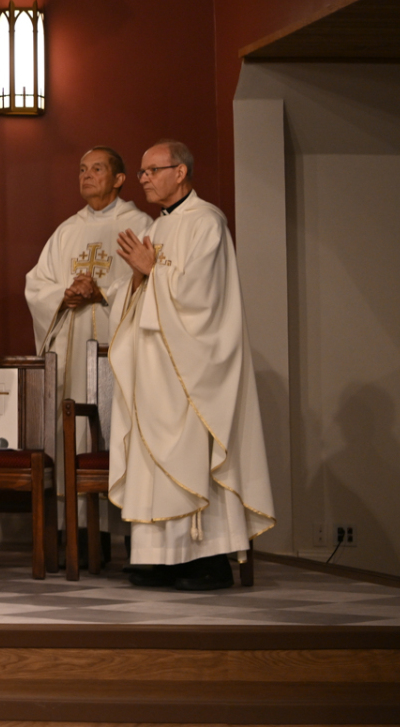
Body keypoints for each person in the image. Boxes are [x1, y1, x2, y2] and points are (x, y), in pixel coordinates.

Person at [110, 140, 275, 591]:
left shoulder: (207, 222)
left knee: (193, 460)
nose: (144, 179)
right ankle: (162, 558)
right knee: (156, 461)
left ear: (180, 172)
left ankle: (207, 561)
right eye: (141, 172)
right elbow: (138, 294)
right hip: (155, 369)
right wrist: (139, 277)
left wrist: (153, 271)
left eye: (151, 170)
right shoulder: (158, 228)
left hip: (192, 370)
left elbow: (204, 297)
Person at [23, 148, 152, 495]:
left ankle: (123, 510)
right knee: (72, 423)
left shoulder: (140, 226)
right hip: (73, 350)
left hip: (118, 344)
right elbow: (36, 284)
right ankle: (73, 517)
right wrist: (64, 295)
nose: (86, 176)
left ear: (119, 179)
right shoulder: (67, 230)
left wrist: (103, 292)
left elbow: (150, 281)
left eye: (97, 169)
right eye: (82, 170)